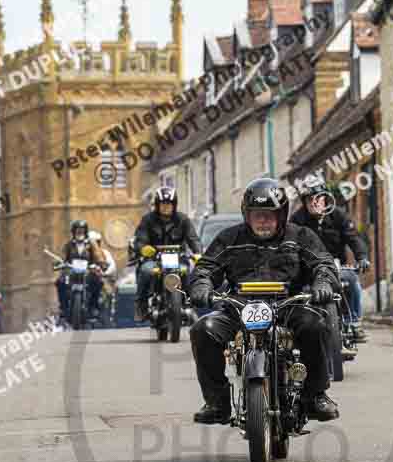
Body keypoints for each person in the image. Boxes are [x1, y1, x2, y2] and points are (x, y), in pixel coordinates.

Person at [189, 177, 341, 425]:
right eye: (257, 214)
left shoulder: (301, 236)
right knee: (202, 330)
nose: (263, 220)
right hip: (240, 307)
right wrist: (202, 285)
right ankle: (217, 402)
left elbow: (323, 263)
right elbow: (206, 268)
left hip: (288, 306)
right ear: (246, 215)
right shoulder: (229, 238)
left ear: (282, 215)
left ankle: (315, 396)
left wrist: (323, 283)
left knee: (315, 325)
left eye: (269, 214)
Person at [290, 175, 370, 340]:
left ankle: (353, 323)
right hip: (307, 269)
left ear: (326, 199)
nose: (315, 202)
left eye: (318, 198)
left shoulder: (339, 215)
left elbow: (353, 238)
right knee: (294, 290)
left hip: (336, 266)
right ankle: (294, 326)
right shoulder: (297, 220)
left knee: (352, 280)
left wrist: (362, 257)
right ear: (304, 202)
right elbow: (289, 246)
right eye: (309, 199)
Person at [133, 187, 201, 322]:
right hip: (154, 259)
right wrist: (144, 248)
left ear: (174, 205)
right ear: (157, 205)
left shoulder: (183, 220)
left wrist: (198, 253)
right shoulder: (148, 220)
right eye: (162, 204)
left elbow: (193, 239)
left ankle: (189, 304)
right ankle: (141, 305)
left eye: (168, 204)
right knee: (146, 271)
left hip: (178, 258)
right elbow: (140, 239)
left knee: (188, 271)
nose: (165, 207)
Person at [56, 220, 106, 318]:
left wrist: (101, 263)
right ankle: (63, 307)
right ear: (73, 231)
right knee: (59, 282)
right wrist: (59, 263)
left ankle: (93, 307)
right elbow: (63, 256)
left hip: (87, 270)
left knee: (98, 282)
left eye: (82, 230)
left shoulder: (91, 243)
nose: (80, 232)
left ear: (85, 231)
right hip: (71, 271)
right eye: (77, 230)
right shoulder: (69, 244)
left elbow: (97, 254)